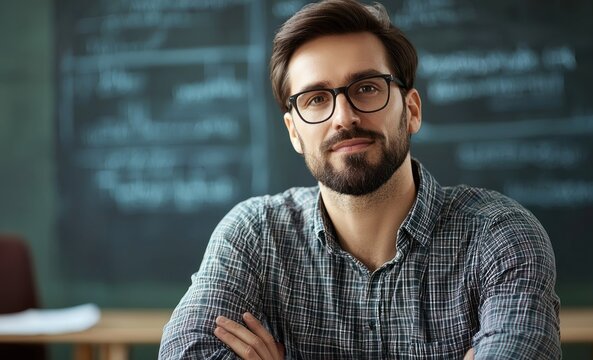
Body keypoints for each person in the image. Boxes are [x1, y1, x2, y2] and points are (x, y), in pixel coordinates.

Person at [159, 0, 561, 359]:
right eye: (316, 99)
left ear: (412, 109)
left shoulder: (499, 236)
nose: (343, 117)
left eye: (367, 88)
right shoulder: (253, 236)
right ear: (294, 132)